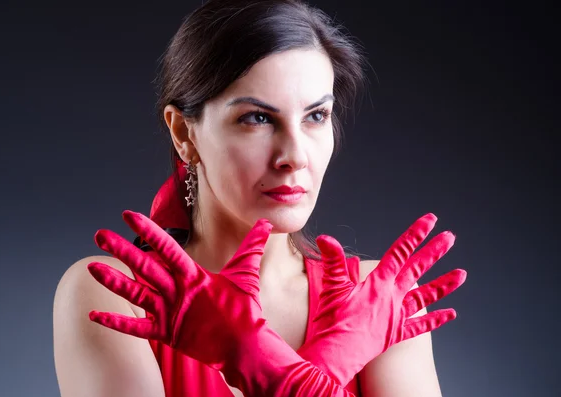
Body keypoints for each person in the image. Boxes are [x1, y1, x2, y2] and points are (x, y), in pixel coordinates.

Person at [53, 1, 466, 396]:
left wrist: (283, 368)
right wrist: (302, 368)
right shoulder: (120, 294)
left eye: (316, 116)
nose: (294, 156)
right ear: (184, 133)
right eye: (257, 118)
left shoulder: (377, 301)